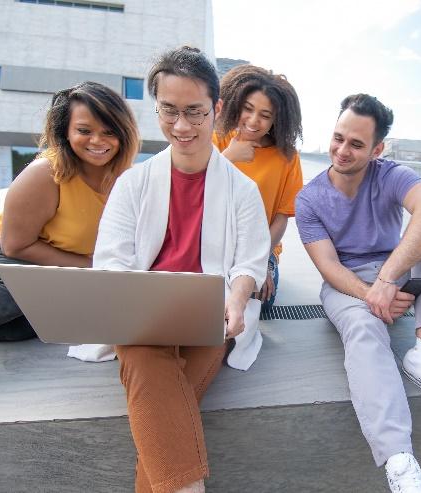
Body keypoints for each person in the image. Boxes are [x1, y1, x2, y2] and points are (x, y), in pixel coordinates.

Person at [92, 46, 269, 493]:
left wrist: (237, 296)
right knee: (150, 368)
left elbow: (250, 262)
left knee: (157, 403)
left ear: (218, 109)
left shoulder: (243, 191)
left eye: (195, 112)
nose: (182, 126)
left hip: (208, 319)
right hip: (143, 319)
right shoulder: (132, 184)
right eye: (168, 111)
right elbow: (111, 261)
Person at [295, 94, 421, 493]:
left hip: (390, 273)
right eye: (338, 138)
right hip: (346, 285)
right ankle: (400, 463)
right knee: (364, 331)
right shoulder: (309, 198)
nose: (342, 151)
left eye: (357, 144)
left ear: (377, 149)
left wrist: (388, 279)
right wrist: (371, 294)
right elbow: (328, 267)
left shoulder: (390, 174)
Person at [0, 81, 140, 342]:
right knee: (11, 296)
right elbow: (15, 246)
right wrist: (91, 267)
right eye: (84, 130)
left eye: (109, 132)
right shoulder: (46, 173)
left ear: (124, 133)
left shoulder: (129, 181)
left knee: (29, 326)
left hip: (58, 266)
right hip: (0, 248)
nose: (97, 141)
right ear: (65, 131)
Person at [213, 64, 303, 310]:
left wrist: (261, 260)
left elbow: (282, 218)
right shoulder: (219, 139)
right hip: (216, 242)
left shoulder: (287, 157)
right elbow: (195, 189)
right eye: (248, 109)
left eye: (265, 115)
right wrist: (228, 156)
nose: (254, 121)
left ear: (277, 119)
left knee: (258, 302)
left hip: (262, 248)